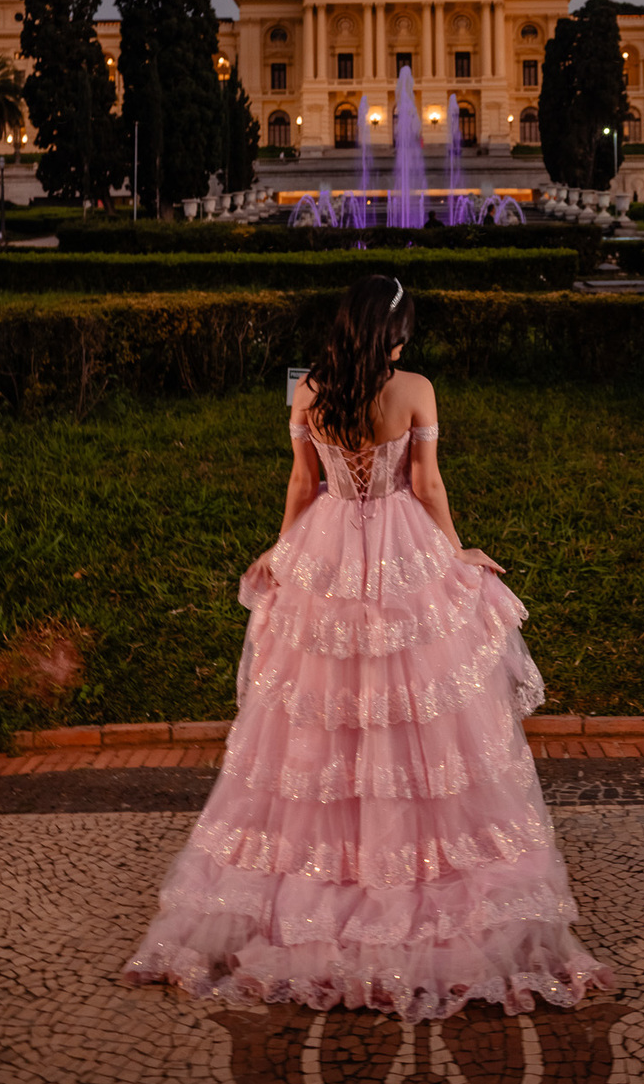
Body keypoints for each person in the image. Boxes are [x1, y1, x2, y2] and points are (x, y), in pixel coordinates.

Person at [122, 273, 618, 1021]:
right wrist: (456, 553)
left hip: (326, 545)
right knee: (412, 708)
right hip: (400, 547)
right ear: (395, 333)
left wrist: (285, 550)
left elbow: (301, 484)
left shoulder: (309, 392)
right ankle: (407, 872)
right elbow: (428, 486)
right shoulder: (415, 389)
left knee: (326, 712)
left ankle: (327, 875)